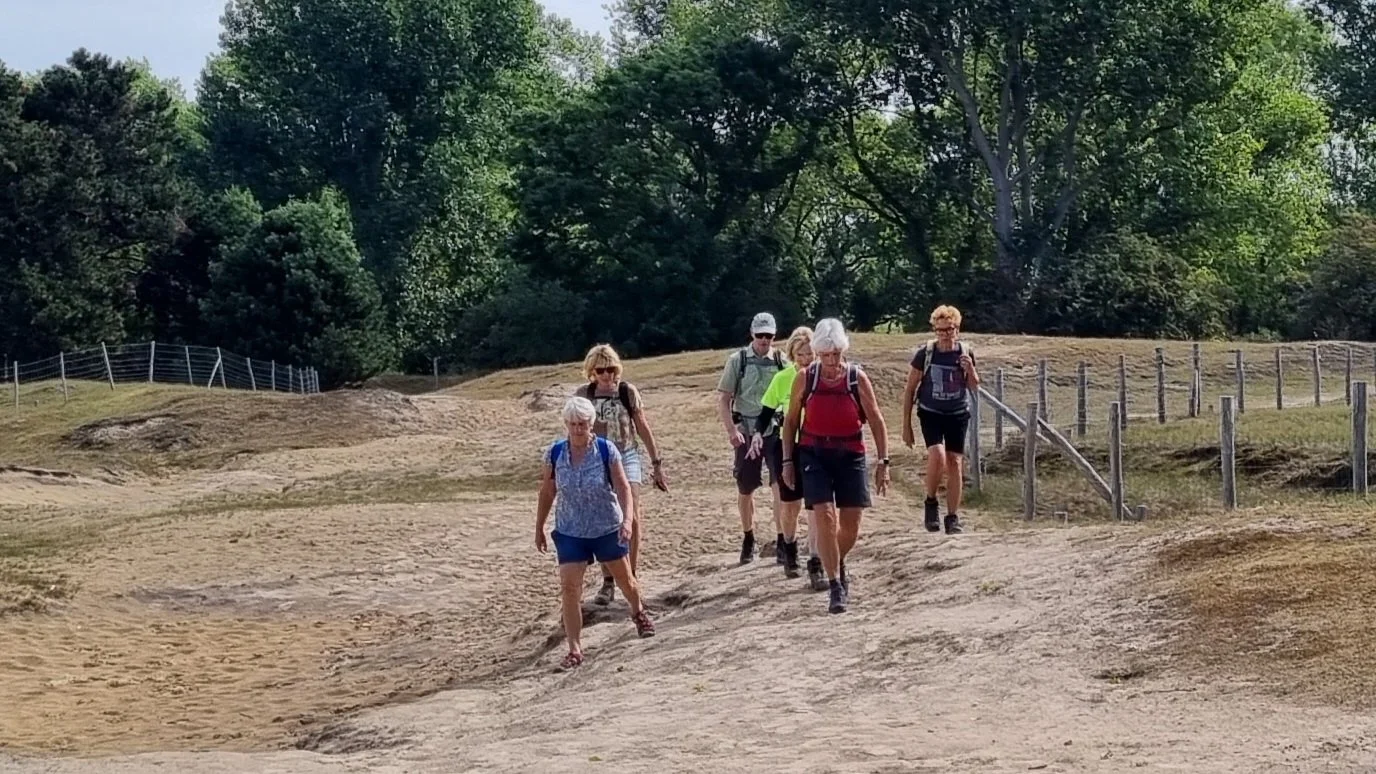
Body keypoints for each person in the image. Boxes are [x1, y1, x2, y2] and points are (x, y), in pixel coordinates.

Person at [535, 396, 656, 671]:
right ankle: (575, 649)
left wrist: (627, 520)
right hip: (570, 530)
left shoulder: (605, 450)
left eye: (583, 424)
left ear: (591, 424)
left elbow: (623, 487)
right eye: (573, 424)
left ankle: (638, 612)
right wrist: (539, 526)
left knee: (625, 580)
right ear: (566, 424)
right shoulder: (554, 453)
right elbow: (547, 492)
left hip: (605, 527)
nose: (578, 429)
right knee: (569, 588)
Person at [780, 318, 890, 614]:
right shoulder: (806, 378)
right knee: (825, 517)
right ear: (817, 352)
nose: (831, 360)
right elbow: (791, 422)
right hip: (814, 454)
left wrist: (884, 461)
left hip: (850, 453)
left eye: (836, 354)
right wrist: (788, 460)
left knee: (851, 526)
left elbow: (877, 420)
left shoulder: (856, 378)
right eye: (825, 355)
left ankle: (836, 559)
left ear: (844, 351)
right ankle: (835, 585)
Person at [579, 344, 669, 607]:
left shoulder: (627, 392)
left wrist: (657, 462)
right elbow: (576, 431)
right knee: (605, 518)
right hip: (597, 458)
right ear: (592, 371)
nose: (607, 375)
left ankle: (632, 574)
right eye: (601, 370)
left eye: (611, 369)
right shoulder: (584, 395)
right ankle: (609, 579)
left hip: (627, 455)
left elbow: (641, 425)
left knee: (632, 515)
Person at [748, 325, 825, 588]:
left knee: (816, 506)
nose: (806, 359)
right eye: (800, 354)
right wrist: (757, 435)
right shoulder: (783, 379)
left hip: (817, 447)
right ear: (792, 355)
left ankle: (815, 560)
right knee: (790, 506)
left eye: (810, 354)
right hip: (788, 447)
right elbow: (766, 413)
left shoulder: (822, 377)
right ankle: (790, 546)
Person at [901, 304, 981, 535]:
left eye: (950, 329)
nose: (945, 334)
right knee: (937, 455)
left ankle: (953, 517)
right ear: (935, 330)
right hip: (931, 412)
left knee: (955, 462)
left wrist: (971, 370)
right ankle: (931, 501)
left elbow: (974, 386)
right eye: (941, 330)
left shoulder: (965, 352)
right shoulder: (925, 354)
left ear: (957, 329)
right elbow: (909, 389)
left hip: (957, 413)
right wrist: (906, 425)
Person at [716, 311, 787, 565]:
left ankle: (782, 538)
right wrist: (731, 431)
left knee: (780, 485)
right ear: (752, 334)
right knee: (745, 488)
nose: (764, 340)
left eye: (769, 335)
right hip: (746, 431)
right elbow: (724, 399)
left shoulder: (781, 361)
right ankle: (748, 537)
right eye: (760, 335)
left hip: (774, 430)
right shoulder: (738, 361)